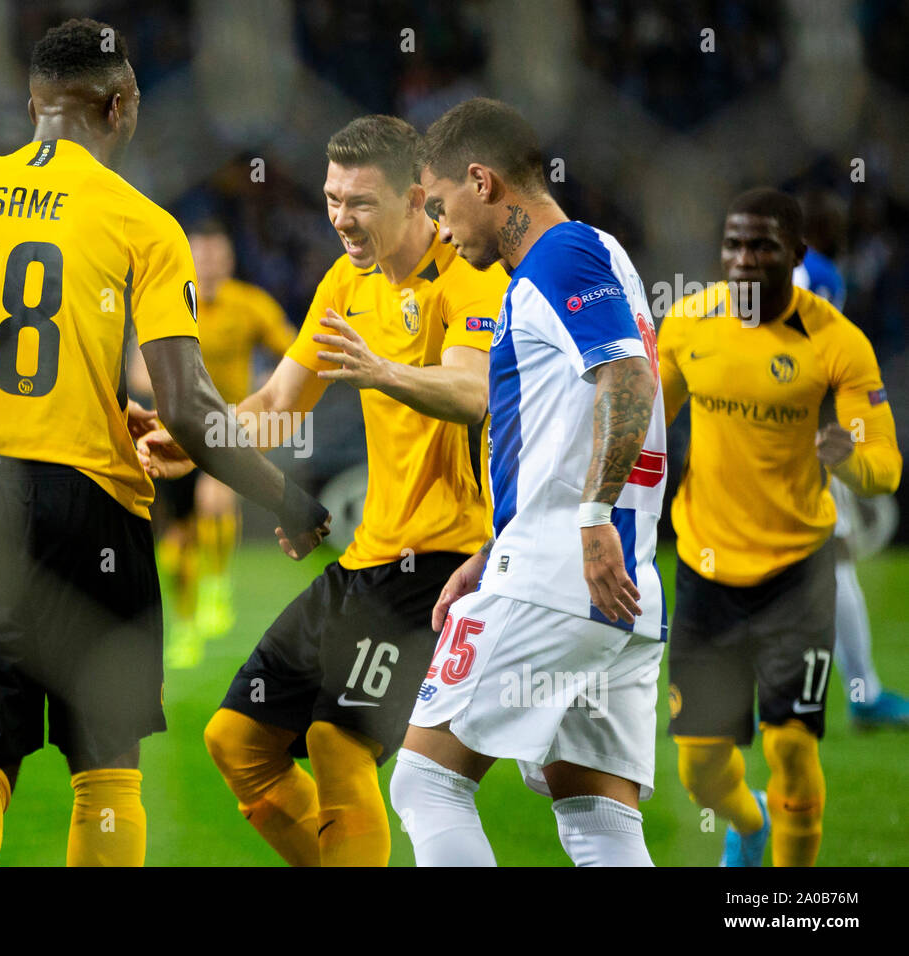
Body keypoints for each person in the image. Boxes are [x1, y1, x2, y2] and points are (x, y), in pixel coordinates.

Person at [0, 17, 328, 868]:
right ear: (123, 105)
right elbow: (186, 407)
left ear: (33, 104)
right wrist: (286, 497)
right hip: (92, 505)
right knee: (106, 770)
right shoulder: (142, 222)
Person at [142, 114, 506, 866]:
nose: (341, 217)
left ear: (415, 198)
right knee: (237, 742)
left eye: (361, 202)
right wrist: (195, 440)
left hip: (445, 560)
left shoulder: (468, 273)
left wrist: (381, 371)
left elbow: (474, 391)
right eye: (333, 198)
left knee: (337, 740)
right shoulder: (347, 280)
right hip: (368, 554)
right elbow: (277, 405)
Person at [388, 97, 667, 867]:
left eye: (442, 207)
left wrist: (588, 518)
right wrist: (495, 546)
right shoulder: (600, 251)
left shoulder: (558, 259)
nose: (441, 230)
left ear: (482, 182)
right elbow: (571, 421)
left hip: (561, 572)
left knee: (425, 784)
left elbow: (629, 380)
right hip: (619, 586)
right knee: (597, 820)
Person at [660, 188, 901, 866]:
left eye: (761, 246)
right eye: (733, 245)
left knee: (791, 749)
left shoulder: (836, 342)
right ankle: (748, 819)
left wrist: (848, 459)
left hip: (798, 573)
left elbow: (885, 469)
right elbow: (646, 429)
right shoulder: (688, 324)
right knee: (700, 769)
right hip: (706, 571)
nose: (743, 260)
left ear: (795, 255)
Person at [146, 220, 296, 666]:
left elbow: (293, 351)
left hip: (225, 426)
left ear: (229, 261)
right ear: (188, 260)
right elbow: (138, 362)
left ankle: (217, 585)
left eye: (217, 256)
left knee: (216, 499)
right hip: (172, 430)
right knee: (177, 539)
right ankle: (187, 624)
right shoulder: (168, 300)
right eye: (201, 257)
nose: (209, 266)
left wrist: (269, 386)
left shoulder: (250, 305)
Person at [792, 193, 909, 729]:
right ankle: (863, 694)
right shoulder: (818, 276)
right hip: (802, 436)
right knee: (830, 558)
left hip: (774, 431)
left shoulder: (793, 273)